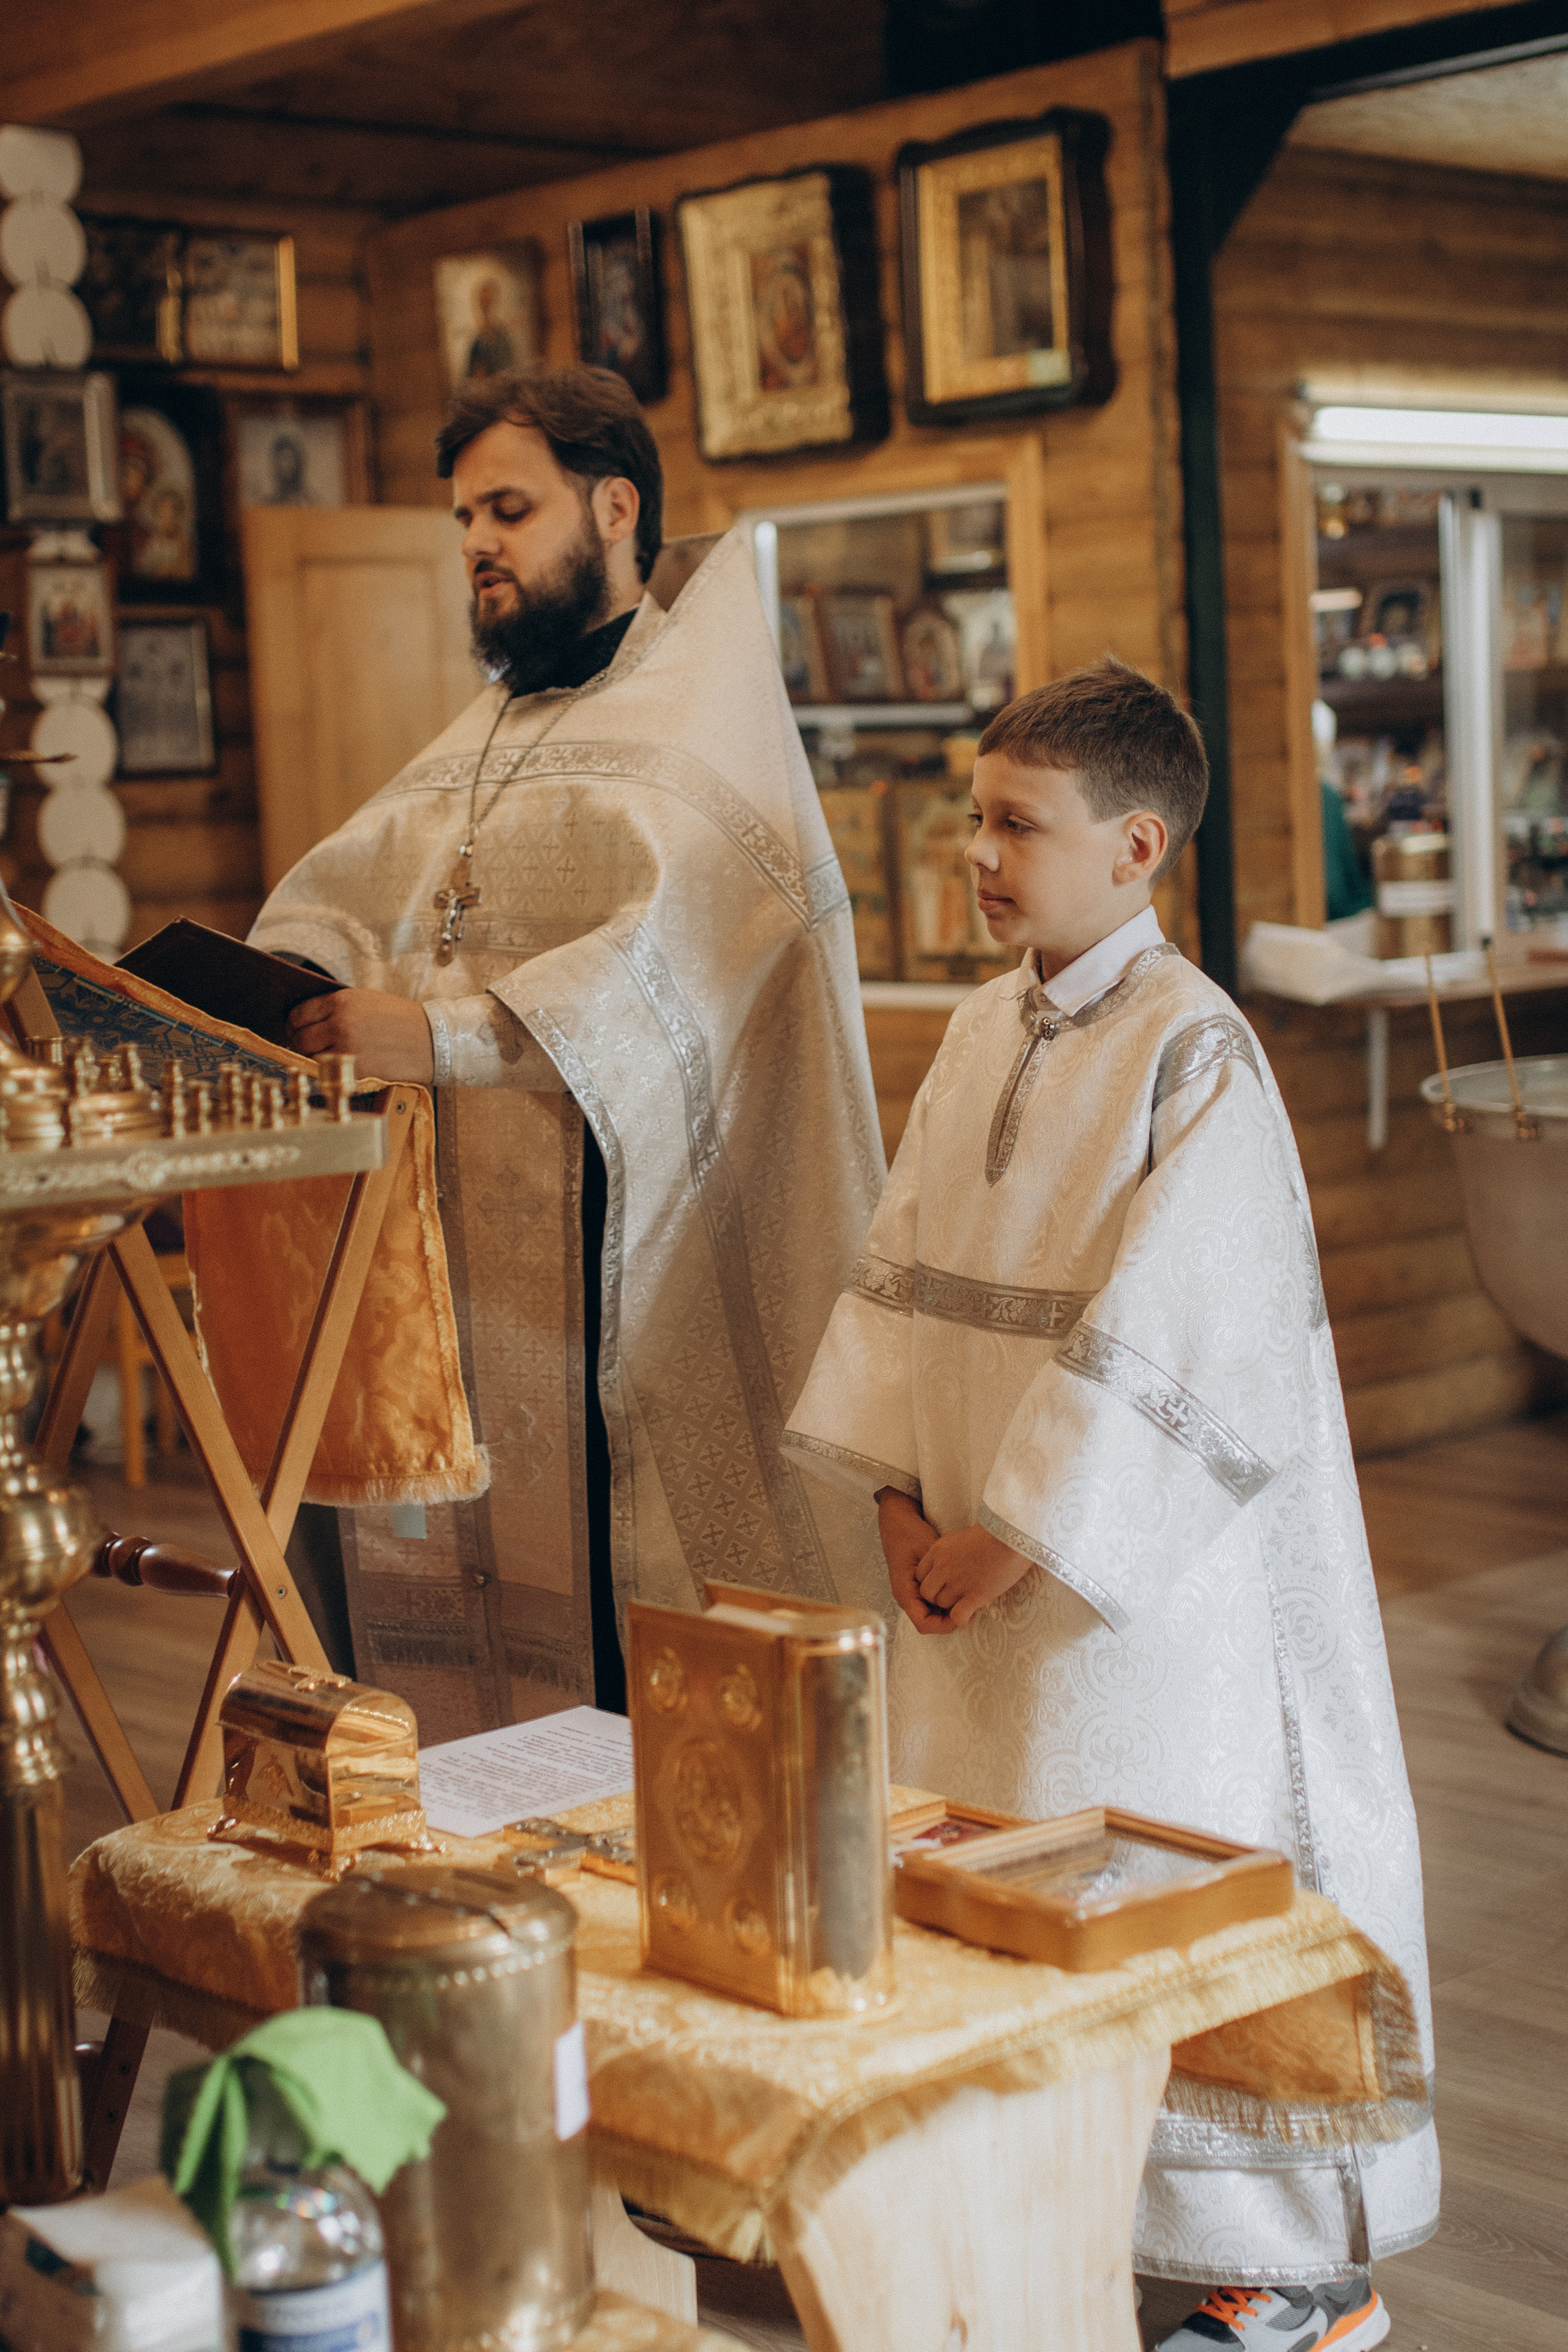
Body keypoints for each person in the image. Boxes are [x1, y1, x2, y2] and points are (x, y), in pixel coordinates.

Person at [782, 659, 1438, 2348]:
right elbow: (897, 1279)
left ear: (1136, 846)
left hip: (1139, 1606)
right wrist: (898, 1509)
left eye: (1018, 825)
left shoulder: (1194, 1049)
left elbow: (1185, 1344)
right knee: (1000, 1898)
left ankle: (1289, 2278)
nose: (977, 853)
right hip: (963, 1576)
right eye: (976, 817)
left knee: (1162, 1895)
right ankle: (1042, 2234)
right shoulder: (977, 1030)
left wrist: (1004, 1541)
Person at [251, 364, 884, 1740]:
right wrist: (289, 978)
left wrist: (437, 1034)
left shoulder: (699, 722)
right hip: (459, 1262)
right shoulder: (490, 730)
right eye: (464, 519)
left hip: (623, 1249)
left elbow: (678, 959)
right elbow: (354, 888)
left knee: (611, 1586)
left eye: (509, 510)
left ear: (614, 508)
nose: (476, 543)